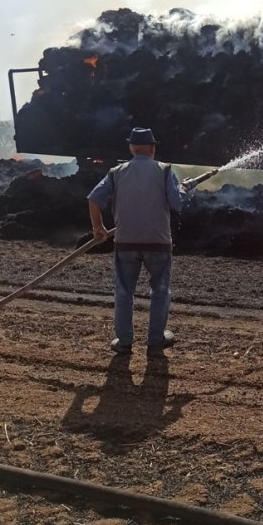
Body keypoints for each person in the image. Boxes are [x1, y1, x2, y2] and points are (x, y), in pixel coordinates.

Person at [87, 127, 186, 355]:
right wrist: (184, 189)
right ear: (152, 148)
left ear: (132, 148)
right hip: (158, 243)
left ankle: (124, 342)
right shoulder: (165, 170)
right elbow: (177, 204)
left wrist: (97, 228)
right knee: (160, 290)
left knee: (123, 291)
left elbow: (93, 199)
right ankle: (156, 339)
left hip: (125, 242)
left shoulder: (116, 172)